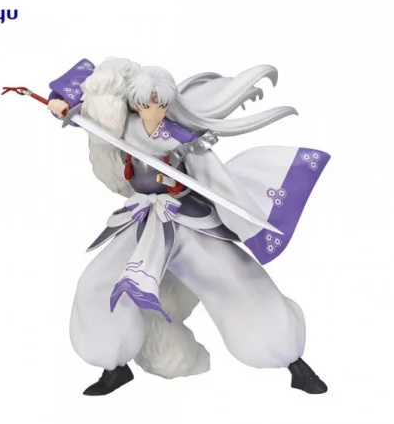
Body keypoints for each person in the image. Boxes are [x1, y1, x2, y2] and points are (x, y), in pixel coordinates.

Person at [47, 57, 330, 396]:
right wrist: (60, 105)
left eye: (158, 104)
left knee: (235, 281)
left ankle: (291, 360)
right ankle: (114, 365)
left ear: (168, 104)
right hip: (143, 219)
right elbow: (87, 112)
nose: (151, 110)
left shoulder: (183, 139)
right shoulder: (125, 129)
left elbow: (216, 181)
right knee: (98, 282)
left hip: (185, 221)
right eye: (143, 104)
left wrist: (239, 215)